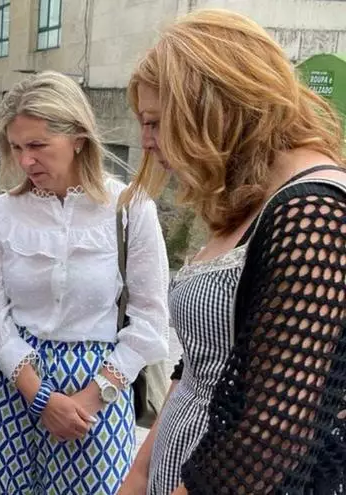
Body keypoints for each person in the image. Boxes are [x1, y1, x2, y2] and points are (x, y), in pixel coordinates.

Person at [117, 9, 346, 495]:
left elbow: (272, 434)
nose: (146, 142)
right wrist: (139, 474)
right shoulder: (250, 197)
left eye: (155, 123)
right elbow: (199, 369)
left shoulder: (314, 211)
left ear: (213, 108)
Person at [0, 70, 171, 494]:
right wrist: (40, 397)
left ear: (78, 138)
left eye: (38, 145)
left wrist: (91, 398)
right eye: (16, 147)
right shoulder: (0, 214)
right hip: (9, 386)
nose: (26, 161)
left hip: (98, 392)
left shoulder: (129, 209)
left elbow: (150, 320)